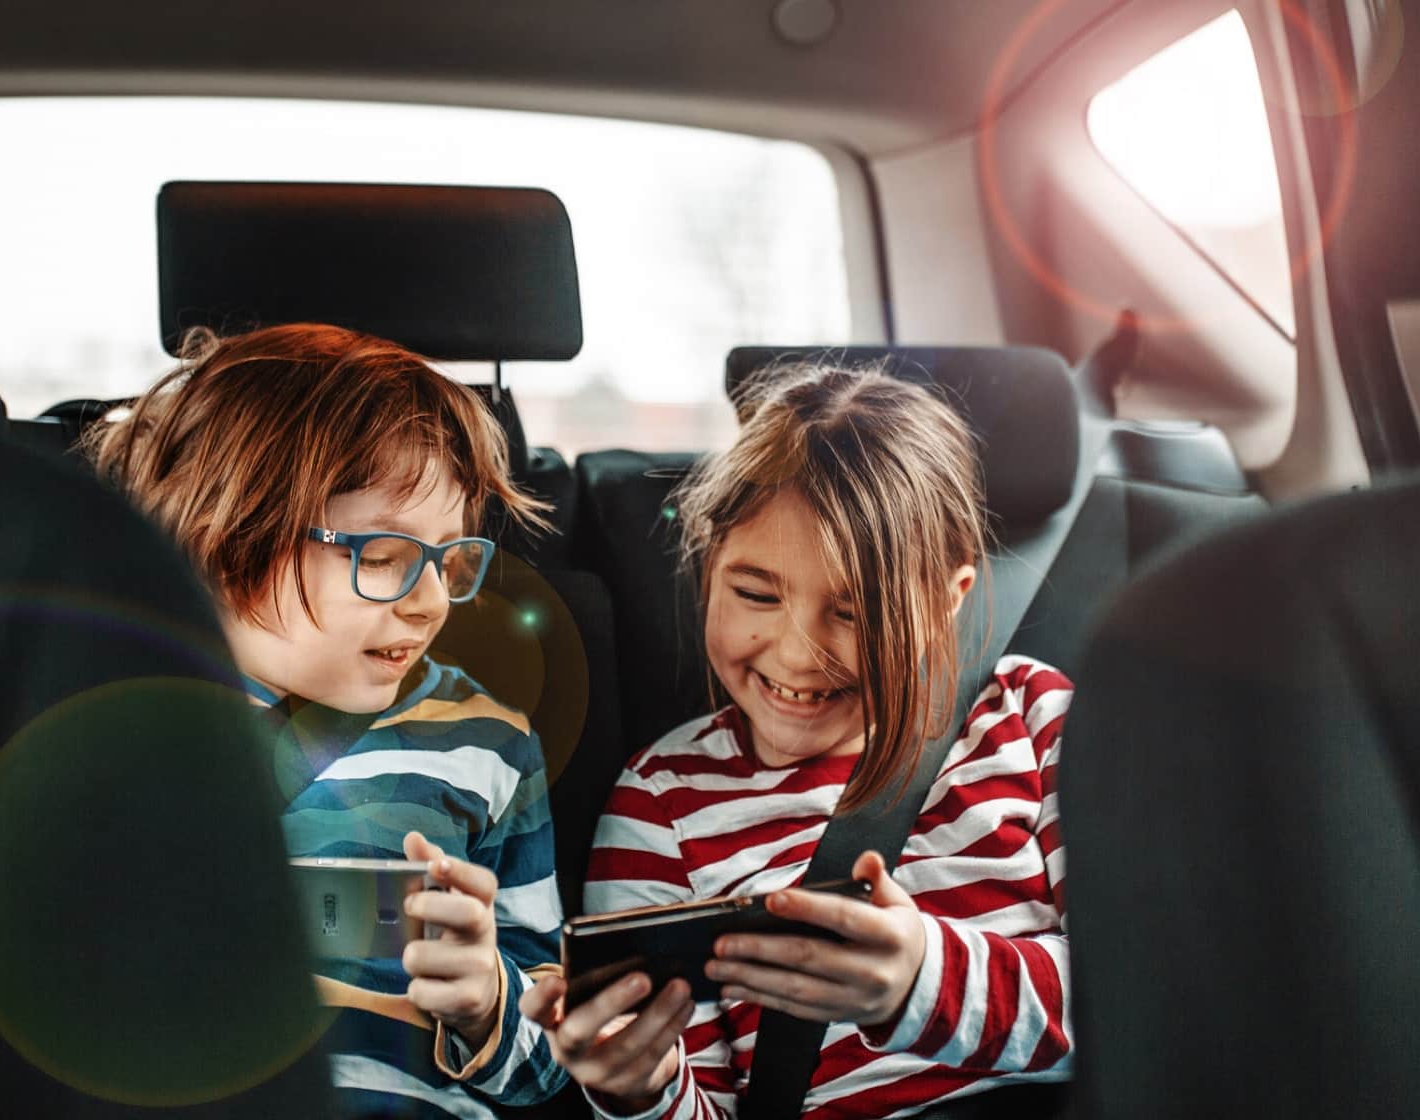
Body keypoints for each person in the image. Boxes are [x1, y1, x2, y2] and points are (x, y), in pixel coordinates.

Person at [524, 362, 1072, 1119]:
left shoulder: (1032, 717)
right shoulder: (660, 804)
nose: (795, 654)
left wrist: (924, 981)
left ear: (948, 602)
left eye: (853, 611)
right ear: (708, 567)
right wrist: (640, 1086)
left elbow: (1141, 996)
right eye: (755, 594)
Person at [84, 322, 569, 1117]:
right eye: (382, 557)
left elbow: (550, 1055)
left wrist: (486, 1002)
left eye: (450, 560)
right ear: (229, 531)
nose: (432, 601)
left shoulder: (486, 741)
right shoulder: (104, 723)